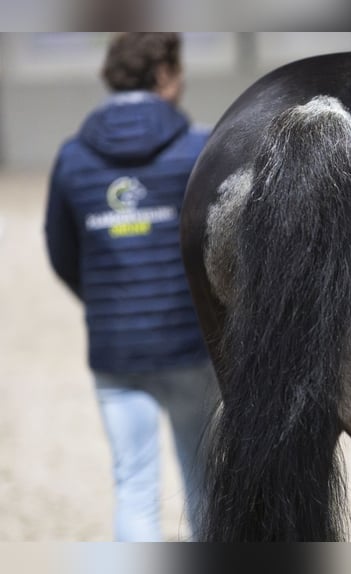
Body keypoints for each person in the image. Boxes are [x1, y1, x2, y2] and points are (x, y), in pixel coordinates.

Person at [44, 33, 218, 542]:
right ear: (164, 74)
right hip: (188, 343)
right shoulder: (199, 149)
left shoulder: (72, 157)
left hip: (115, 350)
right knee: (204, 485)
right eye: (178, 71)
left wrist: (103, 299)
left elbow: (61, 251)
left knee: (133, 485)